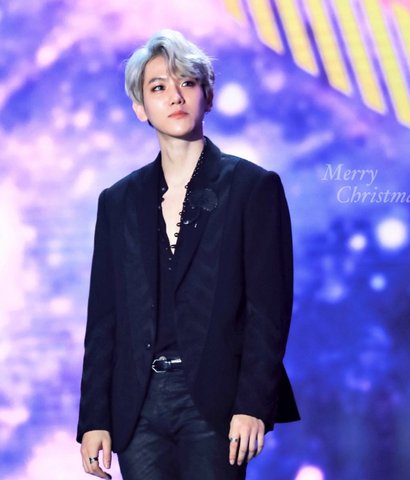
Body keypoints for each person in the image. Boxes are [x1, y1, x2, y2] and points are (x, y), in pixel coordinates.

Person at [76, 29, 300, 480]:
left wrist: (253, 405)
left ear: (207, 96)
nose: (175, 96)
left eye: (188, 83)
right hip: (137, 403)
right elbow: (104, 317)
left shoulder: (252, 187)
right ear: (140, 107)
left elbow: (268, 309)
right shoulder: (118, 201)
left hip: (215, 401)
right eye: (159, 87)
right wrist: (94, 418)